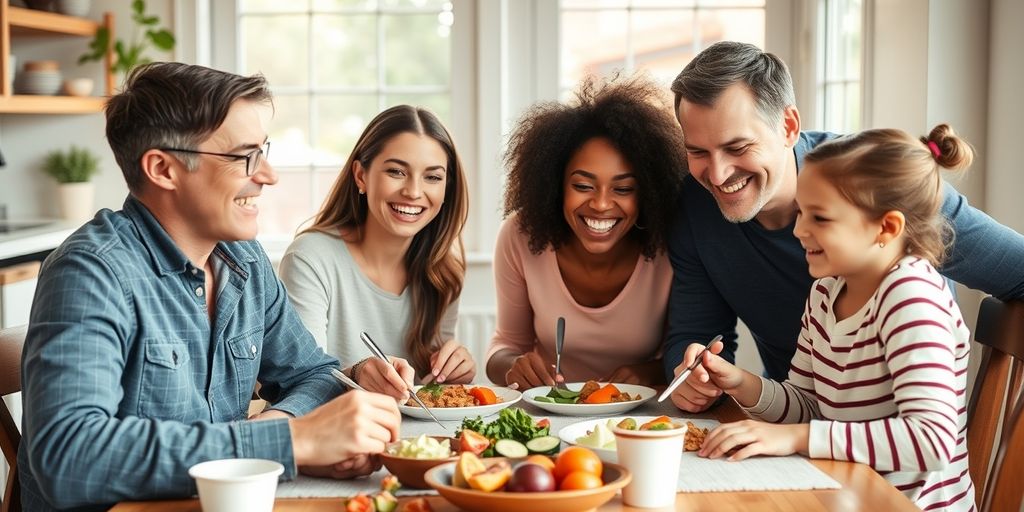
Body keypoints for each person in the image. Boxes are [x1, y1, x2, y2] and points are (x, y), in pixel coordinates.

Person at [18, 62, 402, 511]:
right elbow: (69, 457)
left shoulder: (244, 259)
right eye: (245, 157)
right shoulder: (90, 273)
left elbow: (318, 375)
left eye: (264, 151)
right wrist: (288, 441)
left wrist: (276, 435)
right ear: (164, 168)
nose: (268, 175)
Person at [664, 41, 1024, 412]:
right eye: (698, 152)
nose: (718, 174)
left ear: (788, 126)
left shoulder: (879, 184)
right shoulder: (694, 205)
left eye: (738, 147)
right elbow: (696, 334)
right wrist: (693, 376)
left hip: (895, 446)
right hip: (793, 422)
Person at [694, 124, 976, 510]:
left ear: (886, 227)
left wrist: (797, 439)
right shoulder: (826, 292)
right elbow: (809, 405)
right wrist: (742, 383)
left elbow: (932, 441)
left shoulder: (911, 297)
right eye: (802, 213)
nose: (799, 229)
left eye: (820, 218)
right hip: (840, 494)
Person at [485, 75, 688, 389]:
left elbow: (685, 353)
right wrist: (513, 366)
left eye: (623, 188)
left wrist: (649, 373)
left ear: (647, 192)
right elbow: (505, 345)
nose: (602, 204)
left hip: (641, 416)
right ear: (556, 186)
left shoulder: (670, 242)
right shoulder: (519, 236)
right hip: (548, 413)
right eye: (582, 186)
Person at [278, 105, 474, 389]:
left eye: (432, 177)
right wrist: (356, 374)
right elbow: (299, 383)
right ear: (360, 176)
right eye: (396, 171)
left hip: (409, 433)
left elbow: (429, 394)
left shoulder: (442, 270)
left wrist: (453, 372)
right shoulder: (310, 258)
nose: (414, 192)